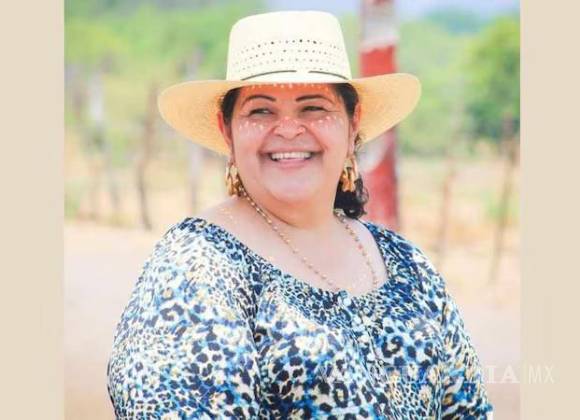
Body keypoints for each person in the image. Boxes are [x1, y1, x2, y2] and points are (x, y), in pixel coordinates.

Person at [106, 10, 493, 419]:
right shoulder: (196, 267)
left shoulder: (407, 264)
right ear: (226, 130)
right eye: (261, 111)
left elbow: (469, 409)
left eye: (313, 108)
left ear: (352, 125)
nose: (289, 129)